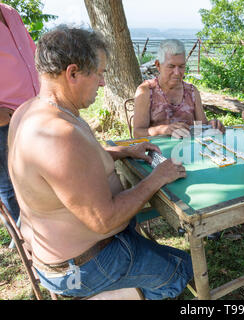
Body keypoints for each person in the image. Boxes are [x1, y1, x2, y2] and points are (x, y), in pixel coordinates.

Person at [7, 26, 193, 300]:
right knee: (181, 269)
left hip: (67, 256)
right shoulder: (59, 136)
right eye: (100, 73)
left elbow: (70, 170)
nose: (103, 83)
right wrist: (158, 177)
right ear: (72, 73)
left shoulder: (29, 110)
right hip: (84, 265)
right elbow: (105, 221)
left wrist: (120, 152)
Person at [133, 39, 225, 139]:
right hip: (156, 151)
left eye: (181, 66)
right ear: (158, 65)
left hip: (187, 151)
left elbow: (200, 127)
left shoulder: (192, 92)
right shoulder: (146, 91)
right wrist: (164, 130)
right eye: (171, 66)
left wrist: (212, 125)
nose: (177, 72)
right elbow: (138, 133)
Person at [0, 3, 40, 223]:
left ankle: (40, 230)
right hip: (4, 121)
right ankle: (26, 242)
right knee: (9, 183)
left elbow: (31, 52)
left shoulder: (10, 12)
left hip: (32, 112)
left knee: (36, 176)